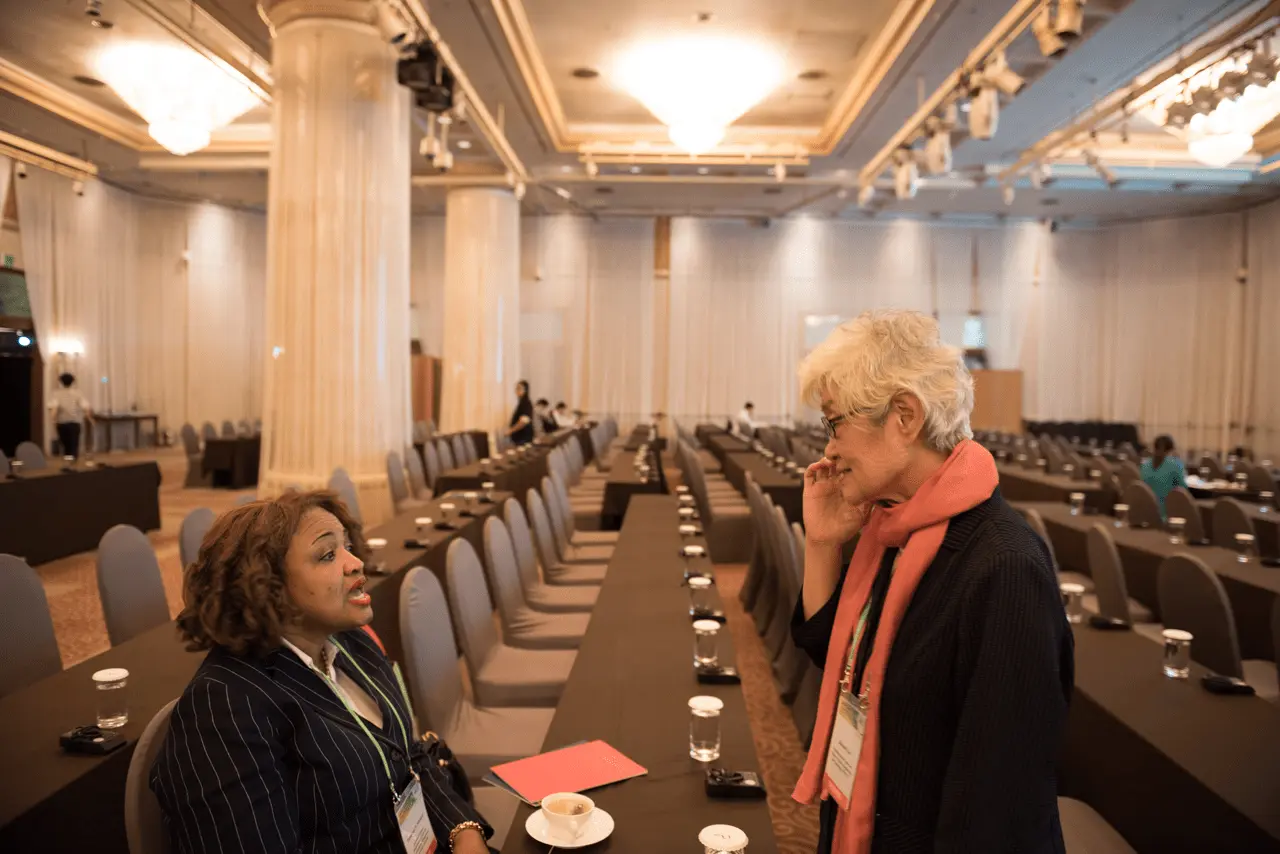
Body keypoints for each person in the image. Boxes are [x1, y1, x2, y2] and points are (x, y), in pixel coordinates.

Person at [790, 310, 1071, 854]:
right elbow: (843, 662)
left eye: (834, 423)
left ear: (905, 416)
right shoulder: (893, 527)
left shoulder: (1005, 568)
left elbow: (998, 809)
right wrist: (822, 544)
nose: (828, 449)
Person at [151, 491, 494, 854]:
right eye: (328, 555)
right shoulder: (225, 706)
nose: (356, 563)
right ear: (266, 585)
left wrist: (464, 832)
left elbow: (407, 756)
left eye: (348, 547)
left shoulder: (352, 642)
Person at [1141, 434, 1187, 518]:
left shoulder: (1145, 465)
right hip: (1166, 515)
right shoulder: (1175, 464)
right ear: (1171, 450)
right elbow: (1183, 491)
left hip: (1146, 513)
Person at [48, 372, 92, 458]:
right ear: (73, 382)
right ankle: (73, 462)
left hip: (62, 422)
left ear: (61, 382)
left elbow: (54, 408)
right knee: (74, 445)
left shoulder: (56, 394)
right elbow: (86, 406)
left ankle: (67, 460)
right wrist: (89, 417)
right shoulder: (77, 393)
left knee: (65, 445)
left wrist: (53, 420)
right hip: (75, 422)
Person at [505, 380, 534, 446]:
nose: (516, 390)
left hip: (523, 438)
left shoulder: (525, 403)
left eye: (519, 388)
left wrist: (510, 431)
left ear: (525, 390)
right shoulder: (522, 402)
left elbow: (523, 421)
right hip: (521, 438)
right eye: (516, 388)